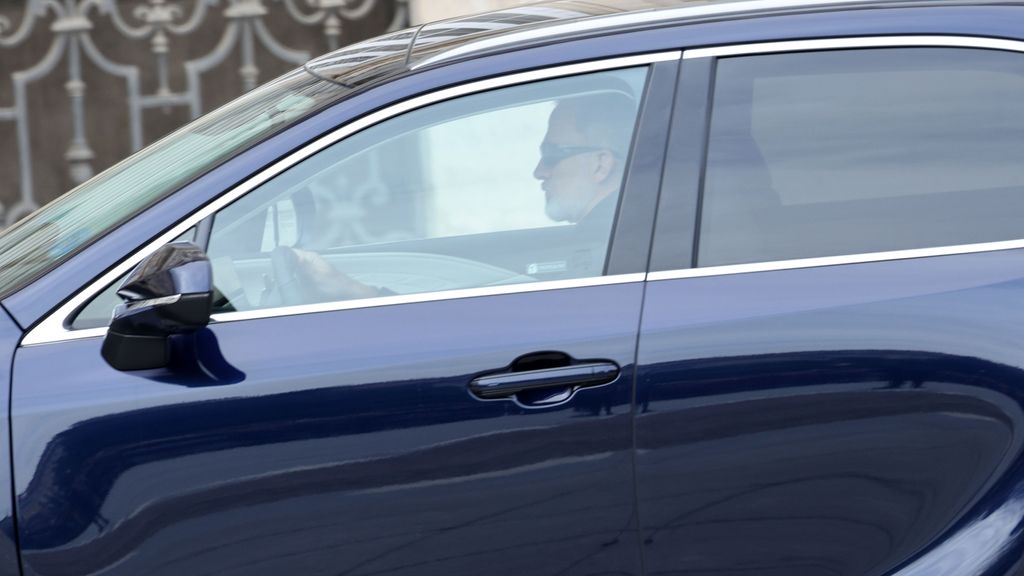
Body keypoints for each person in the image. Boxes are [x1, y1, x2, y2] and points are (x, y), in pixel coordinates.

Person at [280, 90, 639, 303]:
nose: (539, 171)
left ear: (601, 165)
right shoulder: (610, 239)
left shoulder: (606, 252)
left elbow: (508, 326)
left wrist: (356, 293)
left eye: (553, 154)